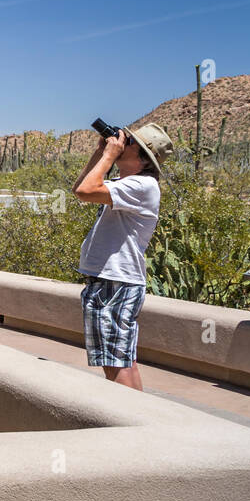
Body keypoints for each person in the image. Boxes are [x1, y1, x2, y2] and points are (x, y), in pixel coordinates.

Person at [71, 122, 173, 391]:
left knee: (116, 364)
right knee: (122, 360)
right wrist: (100, 152)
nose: (120, 143)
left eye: (128, 142)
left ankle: (132, 424)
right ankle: (140, 419)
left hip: (116, 283)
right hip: (112, 281)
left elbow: (85, 191)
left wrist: (108, 156)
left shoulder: (143, 185)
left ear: (141, 156)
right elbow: (80, 188)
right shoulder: (128, 183)